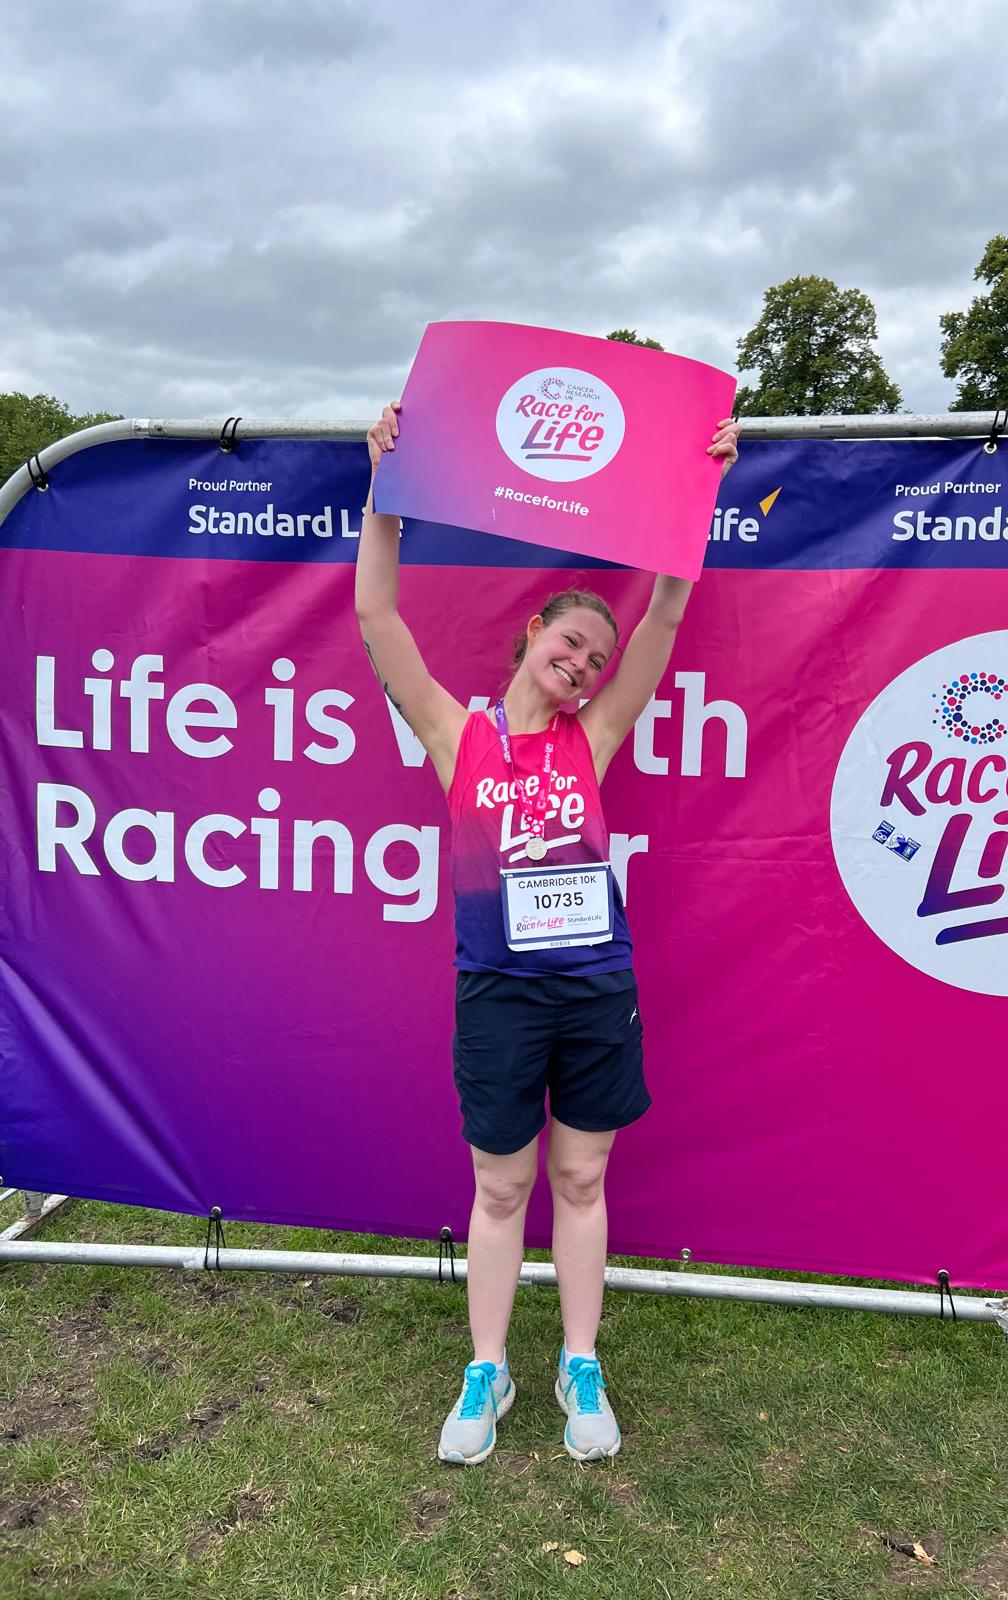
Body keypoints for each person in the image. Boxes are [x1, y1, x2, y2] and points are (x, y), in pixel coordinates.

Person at [356, 401, 741, 1465]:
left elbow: (664, 619)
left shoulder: (598, 734)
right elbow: (380, 619)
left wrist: (694, 491)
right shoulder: (456, 733)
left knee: (580, 1180)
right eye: (571, 641)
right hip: (497, 990)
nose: (583, 662)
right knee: (499, 1186)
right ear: (533, 633)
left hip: (593, 988)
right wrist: (384, 488)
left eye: (595, 656)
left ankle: (581, 1361)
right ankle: (488, 1367)